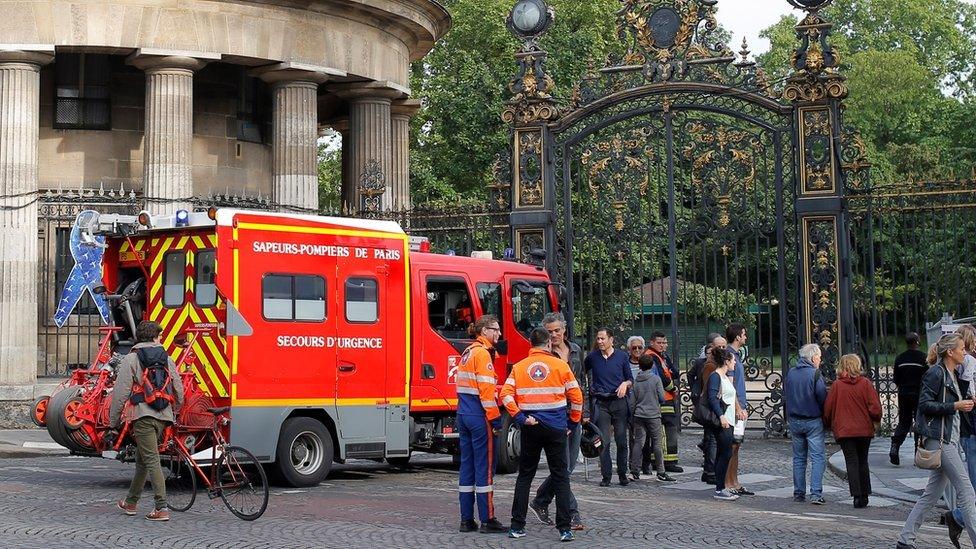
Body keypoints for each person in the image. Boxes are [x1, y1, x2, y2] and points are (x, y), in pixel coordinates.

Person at [501, 327, 584, 542]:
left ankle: (517, 526)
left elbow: (505, 396)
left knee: (525, 476)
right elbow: (577, 397)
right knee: (560, 477)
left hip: (530, 427)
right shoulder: (561, 366)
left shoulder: (519, 368)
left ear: (530, 343)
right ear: (548, 344)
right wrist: (572, 423)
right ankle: (564, 528)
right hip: (556, 427)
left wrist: (520, 418)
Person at [898, 333, 976, 549]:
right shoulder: (936, 373)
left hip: (948, 439)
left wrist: (966, 404)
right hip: (940, 440)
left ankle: (906, 539)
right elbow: (924, 405)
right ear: (950, 352)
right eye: (961, 348)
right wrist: (955, 406)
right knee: (967, 491)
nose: (965, 352)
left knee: (931, 494)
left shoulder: (951, 373)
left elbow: (953, 407)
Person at [109, 320, 185, 521]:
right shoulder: (166, 358)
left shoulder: (131, 358)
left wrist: (113, 421)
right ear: (154, 337)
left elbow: (120, 393)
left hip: (142, 416)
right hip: (163, 416)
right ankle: (131, 502)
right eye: (159, 335)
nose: (160, 339)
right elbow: (178, 386)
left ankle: (161, 508)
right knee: (144, 460)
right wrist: (175, 409)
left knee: (151, 460)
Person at [531, 312, 587, 531]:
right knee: (562, 467)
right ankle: (572, 514)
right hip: (554, 415)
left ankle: (541, 500)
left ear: (564, 330)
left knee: (568, 467)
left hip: (575, 414)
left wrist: (585, 411)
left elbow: (582, 383)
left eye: (557, 330)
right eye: (549, 331)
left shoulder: (576, 350)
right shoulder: (544, 355)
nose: (554, 335)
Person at [454, 314, 507, 534]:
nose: (499, 333)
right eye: (495, 329)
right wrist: (495, 420)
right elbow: (486, 393)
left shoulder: (467, 351)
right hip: (479, 416)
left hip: (463, 414)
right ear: (484, 330)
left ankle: (466, 520)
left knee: (466, 467)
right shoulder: (483, 354)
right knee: (484, 469)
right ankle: (487, 519)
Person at [822, 354, 882, 508]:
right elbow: (875, 408)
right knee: (863, 461)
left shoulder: (837, 386)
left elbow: (828, 408)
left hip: (844, 430)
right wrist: (875, 418)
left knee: (851, 462)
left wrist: (828, 423)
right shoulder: (866, 383)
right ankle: (865, 493)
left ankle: (856, 495)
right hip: (863, 429)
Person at [584, 327, 634, 486]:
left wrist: (625, 384)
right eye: (598, 339)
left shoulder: (622, 356)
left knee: (621, 440)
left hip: (618, 402)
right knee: (603, 441)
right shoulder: (592, 357)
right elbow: (581, 373)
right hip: (601, 403)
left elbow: (630, 379)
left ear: (611, 340)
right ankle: (606, 476)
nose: (599, 342)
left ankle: (622, 474)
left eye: (602, 339)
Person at [784, 343, 828, 505]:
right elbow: (822, 396)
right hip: (812, 420)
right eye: (819, 357)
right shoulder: (815, 374)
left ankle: (799, 492)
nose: (820, 360)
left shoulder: (792, 372)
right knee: (817, 458)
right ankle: (816, 493)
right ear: (813, 357)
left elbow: (787, 394)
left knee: (799, 458)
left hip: (795, 419)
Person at [946, 324, 976, 548]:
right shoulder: (965, 365)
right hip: (970, 428)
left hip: (967, 429)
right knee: (972, 487)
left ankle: (956, 516)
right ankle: (957, 517)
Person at [630, 353, 676, 482]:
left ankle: (634, 470)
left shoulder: (636, 381)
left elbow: (632, 401)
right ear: (652, 365)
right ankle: (661, 471)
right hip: (653, 414)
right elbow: (662, 397)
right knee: (657, 443)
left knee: (639, 442)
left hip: (639, 414)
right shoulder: (656, 379)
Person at [689, 333, 725, 484]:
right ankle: (710, 471)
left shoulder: (714, 365)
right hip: (709, 405)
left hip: (709, 403)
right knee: (711, 439)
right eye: (719, 348)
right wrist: (695, 391)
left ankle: (709, 469)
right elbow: (710, 389)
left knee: (710, 438)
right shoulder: (708, 366)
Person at [644, 331, 682, 473]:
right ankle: (667, 462)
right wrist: (673, 388)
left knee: (668, 429)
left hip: (666, 398)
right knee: (666, 430)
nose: (662, 345)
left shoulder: (662, 356)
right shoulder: (652, 356)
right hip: (662, 398)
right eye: (659, 343)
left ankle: (666, 460)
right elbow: (663, 378)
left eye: (664, 343)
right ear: (652, 342)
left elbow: (675, 372)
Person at [890, 332, 929, 465]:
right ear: (917, 342)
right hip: (918, 393)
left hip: (904, 393)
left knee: (904, 422)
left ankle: (895, 446)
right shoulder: (923, 358)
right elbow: (927, 378)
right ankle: (917, 452)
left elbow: (896, 378)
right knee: (919, 422)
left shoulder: (900, 358)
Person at [705, 346, 739, 500]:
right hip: (722, 421)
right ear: (726, 361)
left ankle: (722, 486)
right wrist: (721, 416)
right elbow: (712, 398)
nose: (735, 363)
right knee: (725, 453)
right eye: (733, 361)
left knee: (724, 453)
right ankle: (720, 488)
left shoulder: (725, 376)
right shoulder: (715, 376)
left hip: (729, 419)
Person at [723, 323, 752, 495]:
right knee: (732, 446)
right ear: (737, 337)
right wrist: (739, 407)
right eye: (744, 334)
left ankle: (734, 481)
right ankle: (728, 482)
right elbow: (730, 385)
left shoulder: (736, 355)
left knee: (737, 445)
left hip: (740, 405)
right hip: (735, 407)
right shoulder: (729, 355)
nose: (746, 337)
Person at [625, 335, 652, 474]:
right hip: (631, 404)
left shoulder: (649, 364)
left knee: (647, 438)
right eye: (633, 347)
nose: (636, 350)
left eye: (639, 347)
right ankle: (633, 463)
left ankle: (646, 464)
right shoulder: (626, 363)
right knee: (633, 437)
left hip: (647, 404)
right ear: (629, 349)